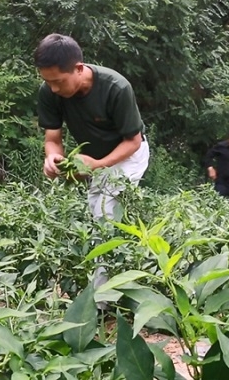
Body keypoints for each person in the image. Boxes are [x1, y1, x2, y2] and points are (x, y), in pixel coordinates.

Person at [34, 33, 150, 310]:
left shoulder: (116, 87)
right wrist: (53, 158)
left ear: (78, 68)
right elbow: (53, 139)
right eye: (47, 81)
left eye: (58, 81)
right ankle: (124, 273)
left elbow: (132, 141)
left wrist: (97, 165)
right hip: (92, 158)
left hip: (128, 155)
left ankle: (102, 304)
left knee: (106, 214)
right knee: (98, 213)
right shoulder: (49, 91)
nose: (52, 89)